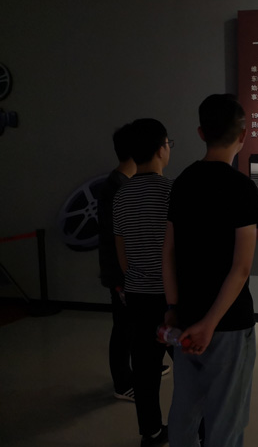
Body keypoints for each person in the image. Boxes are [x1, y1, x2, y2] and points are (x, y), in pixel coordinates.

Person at [163, 94, 258, 447]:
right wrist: (210, 324)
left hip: (186, 316)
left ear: (201, 132)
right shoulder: (242, 189)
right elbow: (241, 267)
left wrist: (173, 308)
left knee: (184, 410)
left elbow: (168, 252)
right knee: (226, 419)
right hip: (229, 322)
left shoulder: (183, 182)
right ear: (243, 135)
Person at [113, 118, 173, 447]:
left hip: (137, 296)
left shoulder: (121, 196)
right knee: (190, 365)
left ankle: (150, 432)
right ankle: (192, 427)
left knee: (145, 370)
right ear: (161, 149)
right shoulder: (172, 192)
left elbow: (122, 255)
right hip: (171, 297)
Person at [97, 123, 136, 402]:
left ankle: (136, 369)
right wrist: (121, 277)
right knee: (123, 326)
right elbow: (117, 239)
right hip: (121, 273)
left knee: (132, 323)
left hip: (124, 271)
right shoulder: (117, 187)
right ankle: (122, 382)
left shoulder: (120, 183)